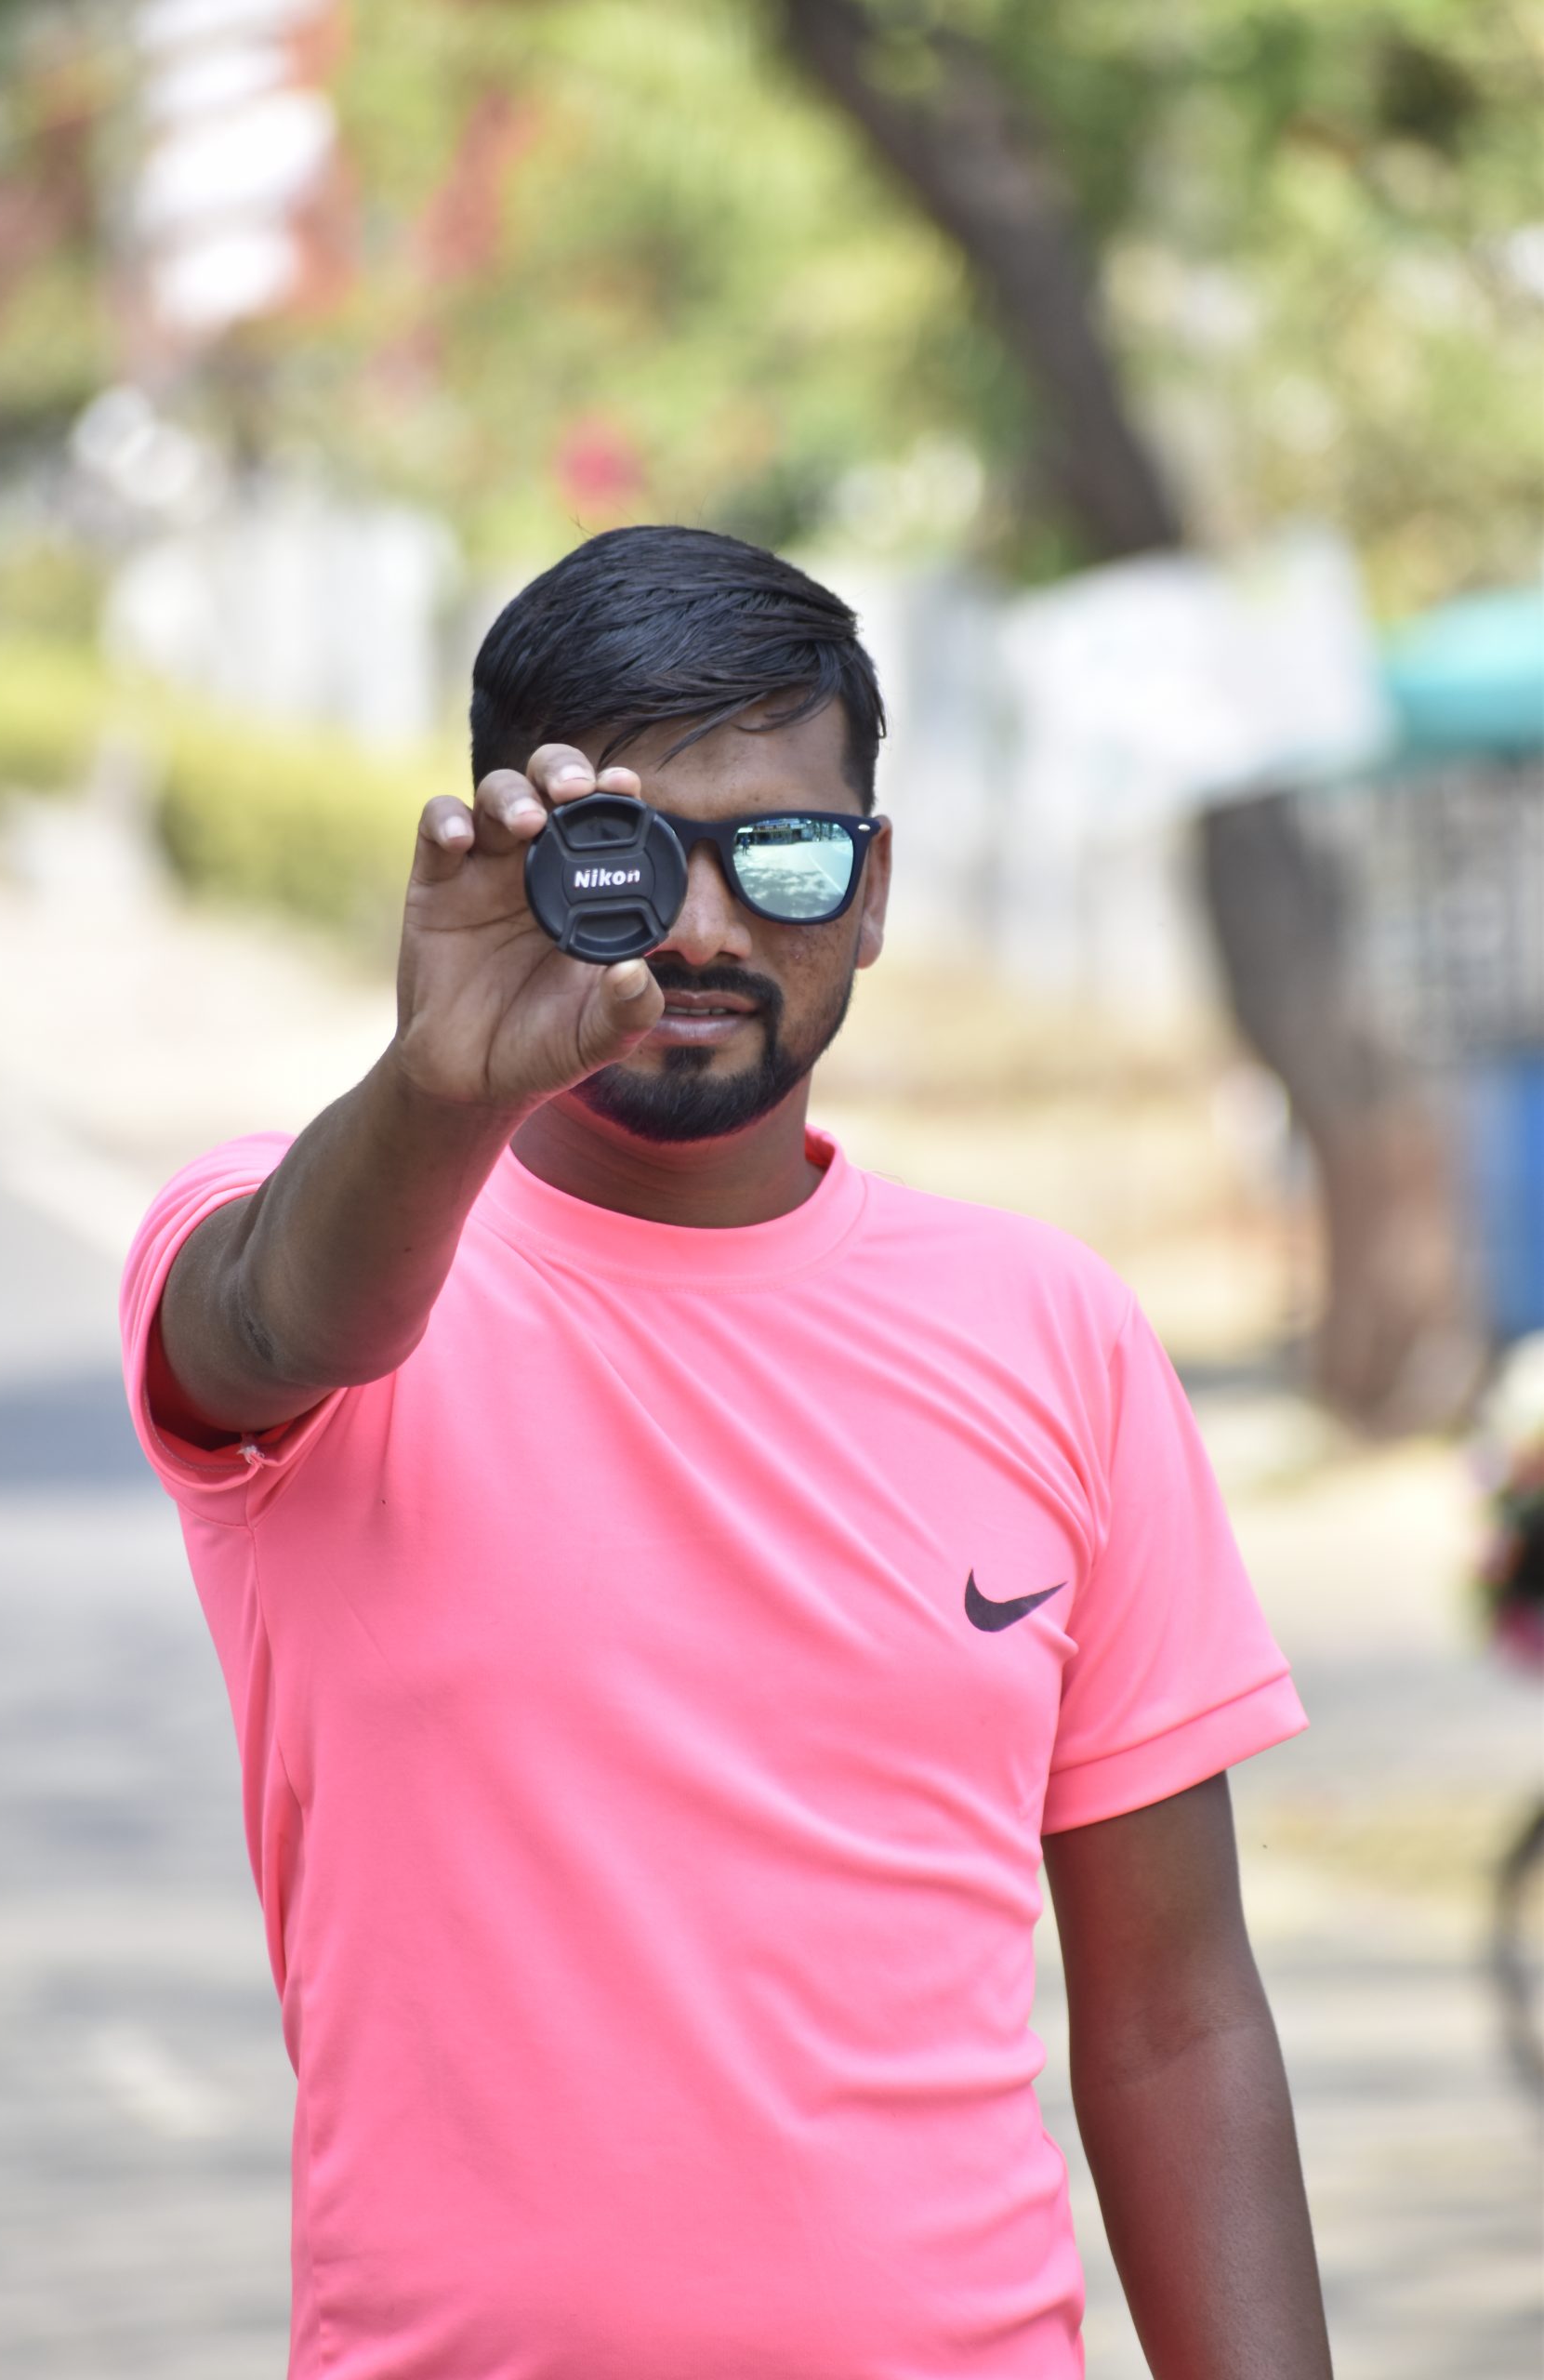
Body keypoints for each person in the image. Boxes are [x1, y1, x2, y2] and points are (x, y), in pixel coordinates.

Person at [121, 525, 1332, 2379]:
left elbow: (1173, 2015)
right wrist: (429, 1090)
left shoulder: (1050, 1330)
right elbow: (283, 1322)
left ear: (867, 890)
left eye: (778, 851)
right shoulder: (305, 1244)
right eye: (629, 858)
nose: (700, 929)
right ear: (514, 861)